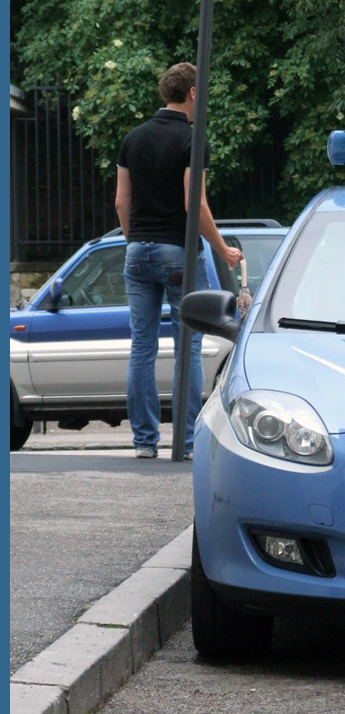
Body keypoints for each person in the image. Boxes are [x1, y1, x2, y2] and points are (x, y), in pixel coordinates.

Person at [115, 62, 243, 460]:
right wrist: (223, 249)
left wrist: (137, 240)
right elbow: (195, 203)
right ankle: (185, 442)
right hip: (178, 253)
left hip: (137, 252)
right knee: (187, 346)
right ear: (191, 94)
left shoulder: (133, 139)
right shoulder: (193, 139)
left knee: (142, 347)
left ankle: (144, 442)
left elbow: (122, 201)